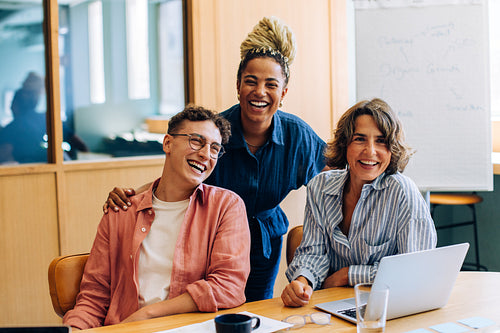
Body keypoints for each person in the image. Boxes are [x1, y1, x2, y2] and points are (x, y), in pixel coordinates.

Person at [103, 16, 327, 301]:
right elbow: (179, 178)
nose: (260, 92)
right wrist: (132, 196)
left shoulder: (298, 136)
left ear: (283, 93)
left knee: (257, 312)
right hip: (211, 241)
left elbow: (335, 180)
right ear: (238, 86)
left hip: (264, 242)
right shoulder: (216, 132)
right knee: (213, 308)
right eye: (251, 82)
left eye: (271, 85)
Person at [64, 105, 250, 330]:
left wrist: (148, 314)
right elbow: (94, 297)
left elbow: (228, 286)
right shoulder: (121, 211)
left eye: (214, 148)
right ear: (168, 143)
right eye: (196, 141)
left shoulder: (225, 207)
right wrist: (74, 329)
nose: (205, 154)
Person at [281, 98, 437, 308]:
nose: (370, 151)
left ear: (392, 148)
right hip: (330, 305)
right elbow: (312, 252)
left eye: (381, 141)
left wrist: (348, 275)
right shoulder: (319, 186)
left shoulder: (402, 192)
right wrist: (303, 281)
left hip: (385, 306)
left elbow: (415, 270)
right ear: (345, 144)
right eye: (360, 139)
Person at [0, 72, 88, 164]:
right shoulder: (48, 119)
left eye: (12, 103)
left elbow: (5, 156)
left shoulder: (12, 128)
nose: (10, 107)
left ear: (16, 105)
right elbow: (79, 144)